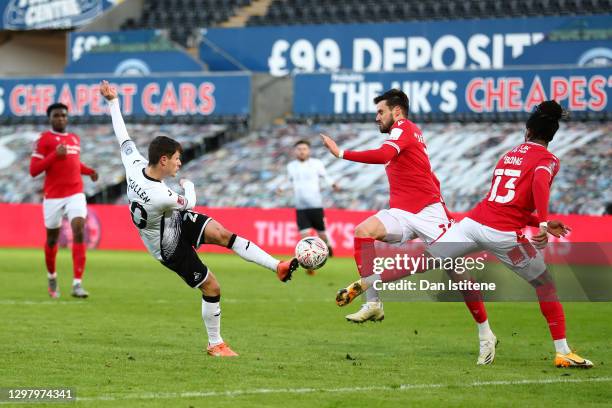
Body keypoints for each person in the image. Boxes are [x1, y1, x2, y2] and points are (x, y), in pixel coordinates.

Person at [336, 100, 593, 368]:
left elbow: (503, 202)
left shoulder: (509, 155)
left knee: (424, 261)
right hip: (504, 235)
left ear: (527, 131)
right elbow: (539, 182)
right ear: (552, 135)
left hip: (472, 223)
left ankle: (369, 281)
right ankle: (562, 351)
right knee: (545, 284)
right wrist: (542, 222)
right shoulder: (548, 159)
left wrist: (539, 222)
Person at [99, 81, 298, 357]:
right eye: (178, 159)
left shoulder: (134, 164)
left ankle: (277, 266)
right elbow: (189, 202)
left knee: (222, 234)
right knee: (212, 285)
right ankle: (215, 343)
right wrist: (189, 185)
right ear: (164, 160)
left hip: (171, 221)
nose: (181, 163)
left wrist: (113, 101)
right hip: (166, 245)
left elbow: (123, 136)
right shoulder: (161, 195)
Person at [320, 88, 453, 323]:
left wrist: (341, 153)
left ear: (397, 111)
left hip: (427, 212)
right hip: (402, 213)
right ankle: (373, 303)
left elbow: (382, 156)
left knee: (458, 272)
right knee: (363, 231)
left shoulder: (404, 127)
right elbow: (431, 176)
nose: (377, 117)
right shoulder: (405, 136)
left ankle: (485, 333)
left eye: (381, 112)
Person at [30, 102, 98, 299]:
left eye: (63, 115)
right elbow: (34, 170)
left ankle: (77, 283)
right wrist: (53, 155)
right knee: (52, 239)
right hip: (53, 197)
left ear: (67, 118)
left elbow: (74, 164)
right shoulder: (44, 140)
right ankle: (52, 276)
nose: (61, 118)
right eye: (57, 115)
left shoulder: (74, 138)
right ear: (50, 118)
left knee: (78, 229)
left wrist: (89, 171)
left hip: (75, 193)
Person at [281, 139, 339, 275]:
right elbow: (288, 179)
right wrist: (280, 188)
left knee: (322, 234)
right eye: (299, 149)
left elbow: (326, 176)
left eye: (304, 149)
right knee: (304, 237)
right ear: (295, 151)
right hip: (301, 207)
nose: (302, 151)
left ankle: (328, 246)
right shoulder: (291, 166)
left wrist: (333, 184)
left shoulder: (316, 164)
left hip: (315, 205)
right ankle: (310, 265)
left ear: (309, 151)